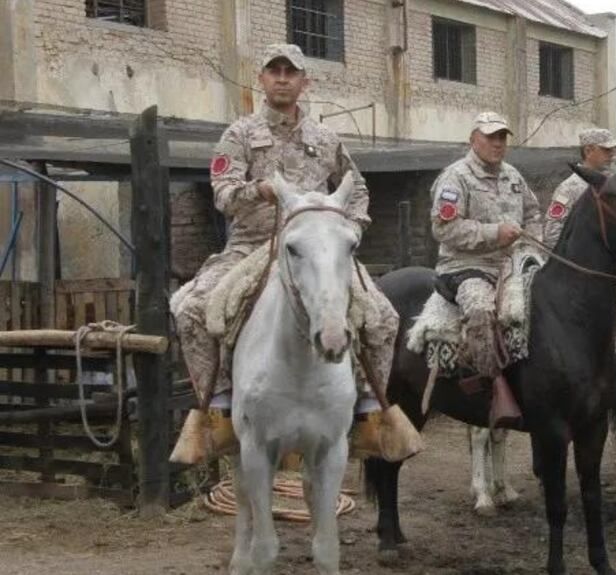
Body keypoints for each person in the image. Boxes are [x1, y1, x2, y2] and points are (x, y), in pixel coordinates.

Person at [172, 43, 401, 458]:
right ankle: (219, 407)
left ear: (303, 81)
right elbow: (222, 194)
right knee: (191, 307)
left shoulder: (325, 137)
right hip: (252, 245)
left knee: (383, 316)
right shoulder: (239, 134)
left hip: (318, 250)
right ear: (261, 79)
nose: (282, 78)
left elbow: (358, 186)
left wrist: (351, 228)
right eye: (274, 70)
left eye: (290, 72)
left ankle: (370, 411)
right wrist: (256, 190)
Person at [429, 111, 542, 386]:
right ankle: (490, 387)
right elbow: (444, 228)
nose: (498, 143)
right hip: (465, 267)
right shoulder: (455, 178)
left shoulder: (513, 176)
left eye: (502, 137)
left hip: (513, 264)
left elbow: (533, 213)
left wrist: (532, 248)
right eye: (491, 136)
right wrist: (494, 233)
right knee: (480, 309)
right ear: (473, 140)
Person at [542, 128, 616, 248]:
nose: (612, 154)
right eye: (606, 150)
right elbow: (552, 234)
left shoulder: (614, 185)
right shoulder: (569, 189)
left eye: (613, 150)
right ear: (588, 151)